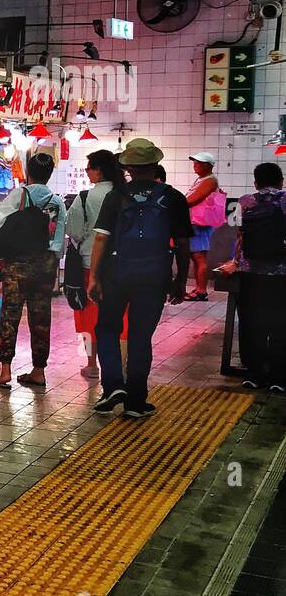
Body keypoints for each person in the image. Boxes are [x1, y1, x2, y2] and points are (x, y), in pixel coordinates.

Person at [87, 138, 193, 418]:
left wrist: (94, 277)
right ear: (156, 165)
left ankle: (112, 386)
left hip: (116, 273)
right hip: (154, 276)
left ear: (129, 167)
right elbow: (183, 244)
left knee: (107, 329)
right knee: (140, 335)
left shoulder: (117, 195)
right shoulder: (172, 197)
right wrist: (180, 279)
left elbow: (100, 239)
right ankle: (136, 400)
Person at [0, 151, 67, 390]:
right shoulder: (57, 201)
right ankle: (39, 371)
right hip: (45, 266)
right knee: (41, 317)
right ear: (50, 174)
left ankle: (5, 371)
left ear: (29, 173)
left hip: (18, 265)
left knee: (10, 316)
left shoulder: (18, 196)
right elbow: (59, 241)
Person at [222, 162, 286, 391]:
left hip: (251, 273)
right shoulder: (285, 198)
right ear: (281, 181)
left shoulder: (244, 201)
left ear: (256, 182)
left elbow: (237, 235)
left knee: (252, 322)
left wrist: (235, 262)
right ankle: (279, 377)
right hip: (281, 274)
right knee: (281, 323)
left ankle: (254, 373)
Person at [64, 150, 128, 380]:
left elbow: (73, 231)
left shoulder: (85, 198)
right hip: (122, 264)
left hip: (89, 264)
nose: (87, 172)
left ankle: (91, 364)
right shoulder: (125, 194)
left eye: (89, 168)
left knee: (87, 316)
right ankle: (121, 365)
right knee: (122, 314)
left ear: (98, 170)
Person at [184, 151, 224, 301]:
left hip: (200, 224)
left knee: (200, 258)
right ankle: (199, 289)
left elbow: (192, 200)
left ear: (209, 165)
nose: (195, 165)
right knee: (196, 257)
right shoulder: (201, 179)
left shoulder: (210, 180)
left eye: (199, 163)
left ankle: (201, 291)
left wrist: (176, 202)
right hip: (196, 223)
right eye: (195, 162)